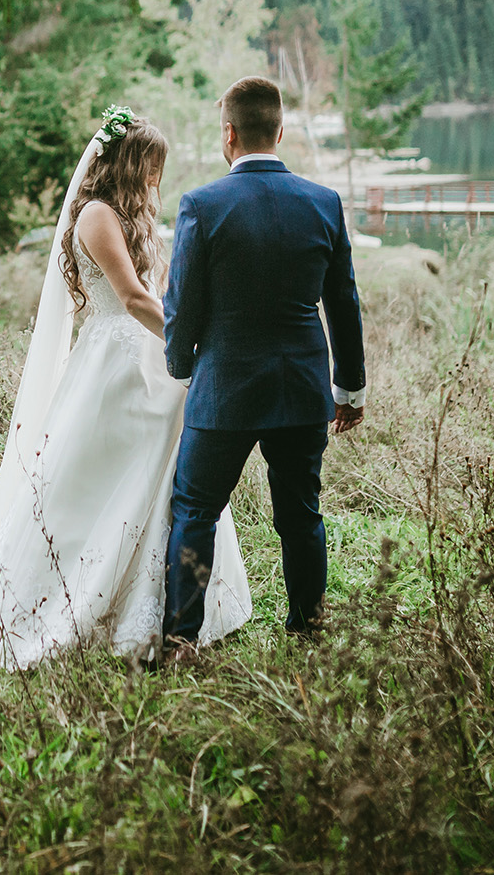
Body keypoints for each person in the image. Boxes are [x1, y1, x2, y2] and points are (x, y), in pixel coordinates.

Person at [0, 107, 252, 667]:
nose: (155, 179)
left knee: (164, 475)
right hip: (115, 365)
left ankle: (170, 605)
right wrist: (194, 343)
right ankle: (76, 601)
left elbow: (159, 291)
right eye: (150, 166)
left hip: (150, 359)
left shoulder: (134, 216)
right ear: (128, 162)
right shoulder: (95, 215)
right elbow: (133, 299)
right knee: (97, 483)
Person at [160, 75, 366, 660]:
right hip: (302, 388)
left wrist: (180, 368)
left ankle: (181, 641)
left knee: (196, 511)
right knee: (301, 514)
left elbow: (183, 303)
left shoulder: (202, 205)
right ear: (279, 131)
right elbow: (343, 301)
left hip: (223, 388)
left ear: (229, 134)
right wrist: (349, 388)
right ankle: (307, 629)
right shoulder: (323, 202)